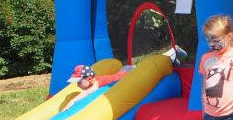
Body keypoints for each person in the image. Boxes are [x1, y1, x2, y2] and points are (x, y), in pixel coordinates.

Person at [59, 44, 187, 112]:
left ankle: (172, 52)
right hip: (123, 71)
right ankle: (172, 59)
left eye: (79, 82)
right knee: (146, 65)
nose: (77, 85)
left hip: (127, 74)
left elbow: (85, 94)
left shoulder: (96, 83)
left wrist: (70, 103)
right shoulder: (93, 81)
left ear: (89, 79)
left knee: (150, 66)